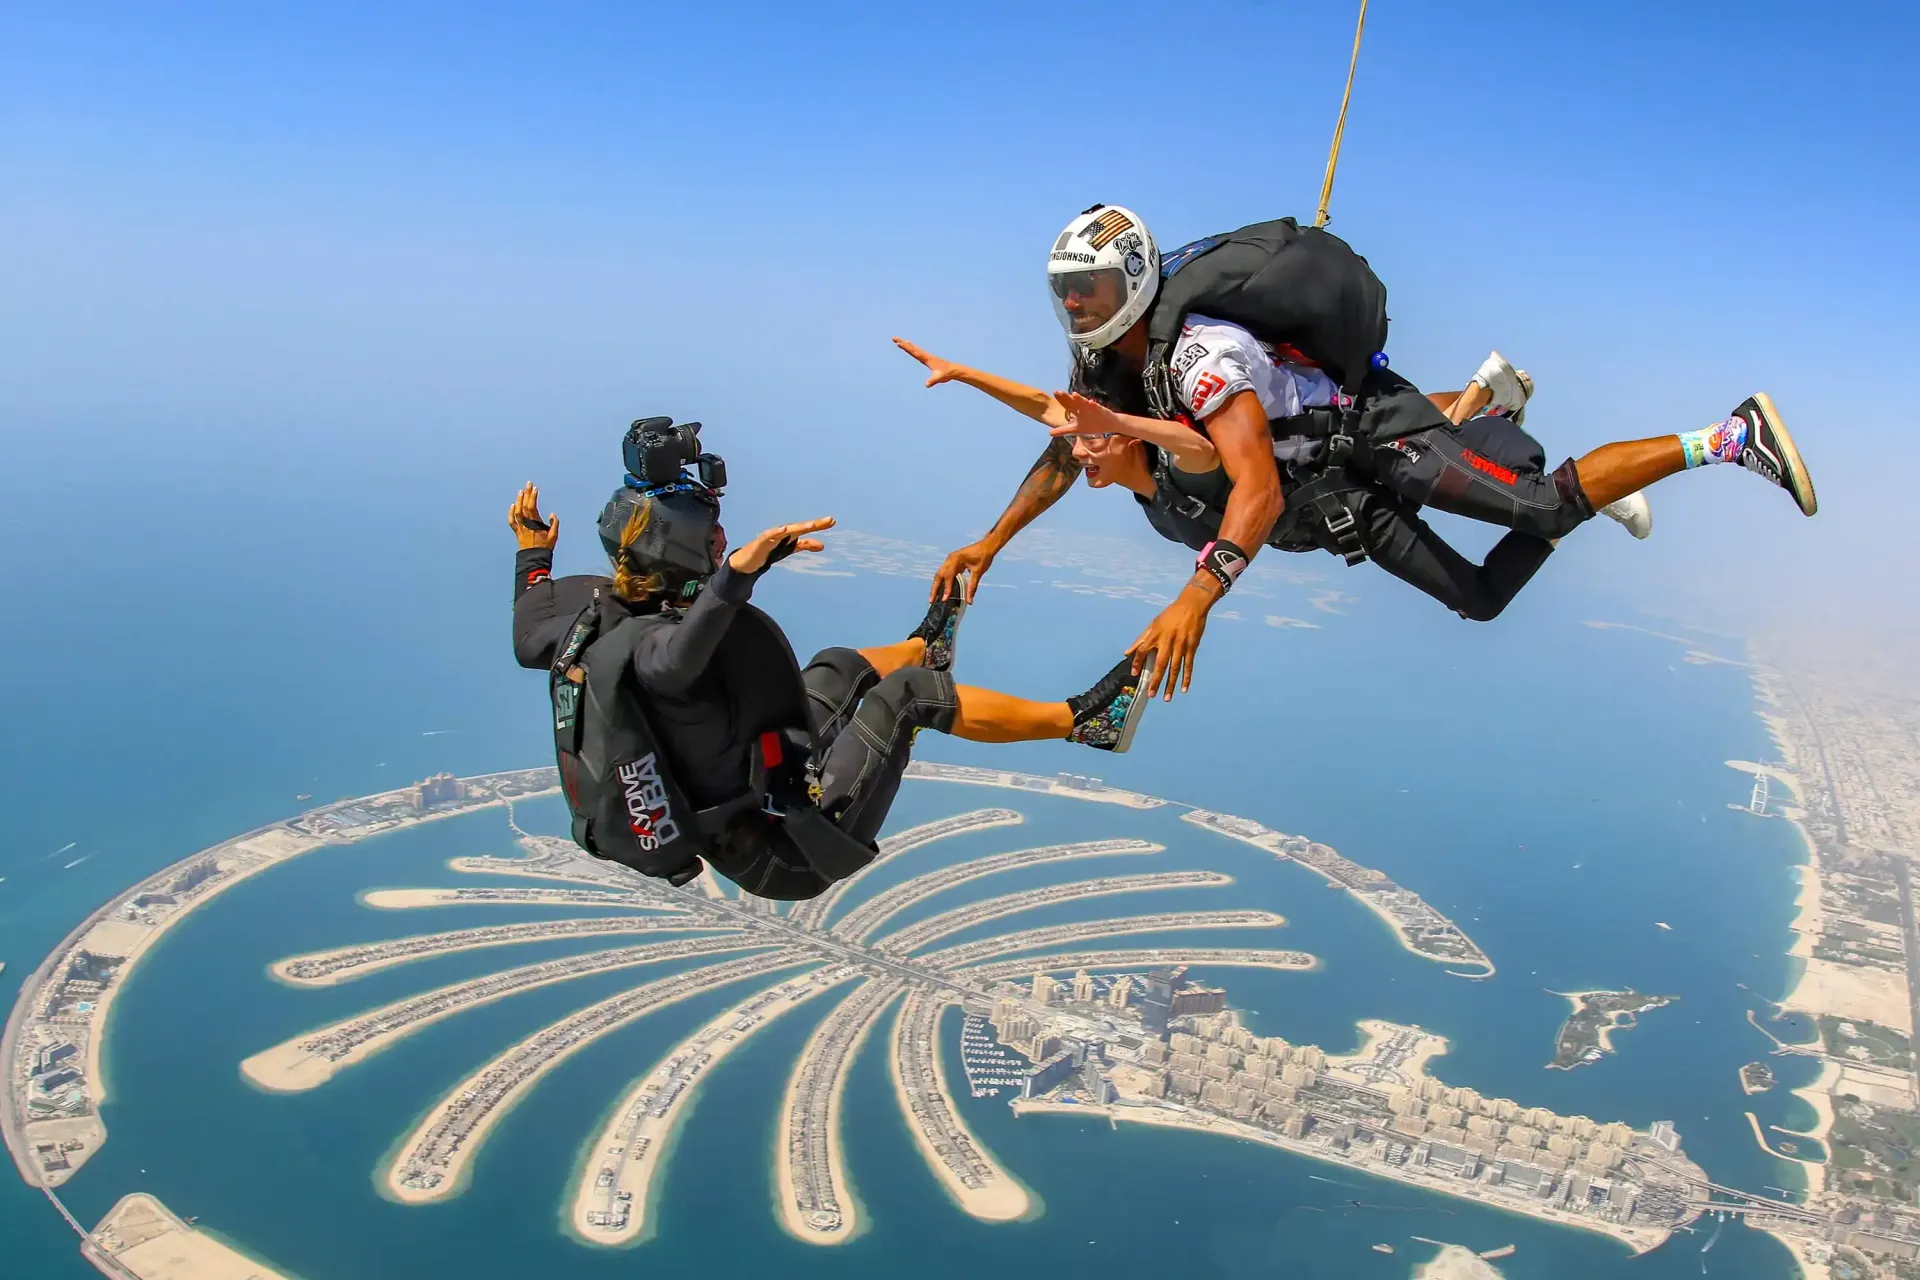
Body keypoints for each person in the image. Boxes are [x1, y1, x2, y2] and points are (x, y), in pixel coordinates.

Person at [915, 204, 1816, 697]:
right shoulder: (1113, 375)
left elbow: (1257, 491)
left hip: (1371, 442)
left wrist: (1197, 597)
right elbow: (1070, 442)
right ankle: (1514, 434)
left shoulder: (1197, 361)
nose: (1077, 306)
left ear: (1138, 279)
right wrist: (990, 544)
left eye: (1093, 289)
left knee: (1539, 509)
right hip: (1340, 503)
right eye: (1066, 292)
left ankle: (1732, 435)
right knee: (1480, 600)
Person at [507, 419, 1150, 901]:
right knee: (909, 699)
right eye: (713, 534)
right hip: (786, 844)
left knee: (837, 664)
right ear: (684, 546)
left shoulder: (597, 610)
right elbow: (672, 662)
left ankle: (930, 645)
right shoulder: (657, 647)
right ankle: (1086, 722)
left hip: (754, 770)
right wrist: (735, 578)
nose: (722, 541)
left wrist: (534, 555)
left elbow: (529, 632)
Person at [898, 338, 1652, 630]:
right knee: (1481, 599)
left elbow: (1185, 441)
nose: (1075, 452)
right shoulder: (1124, 471)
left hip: (1352, 493)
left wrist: (1122, 426)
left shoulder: (1178, 467)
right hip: (1335, 515)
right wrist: (966, 377)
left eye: (1092, 435)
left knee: (1519, 505)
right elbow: (1055, 423)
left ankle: (1551, 468)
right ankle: (1493, 411)